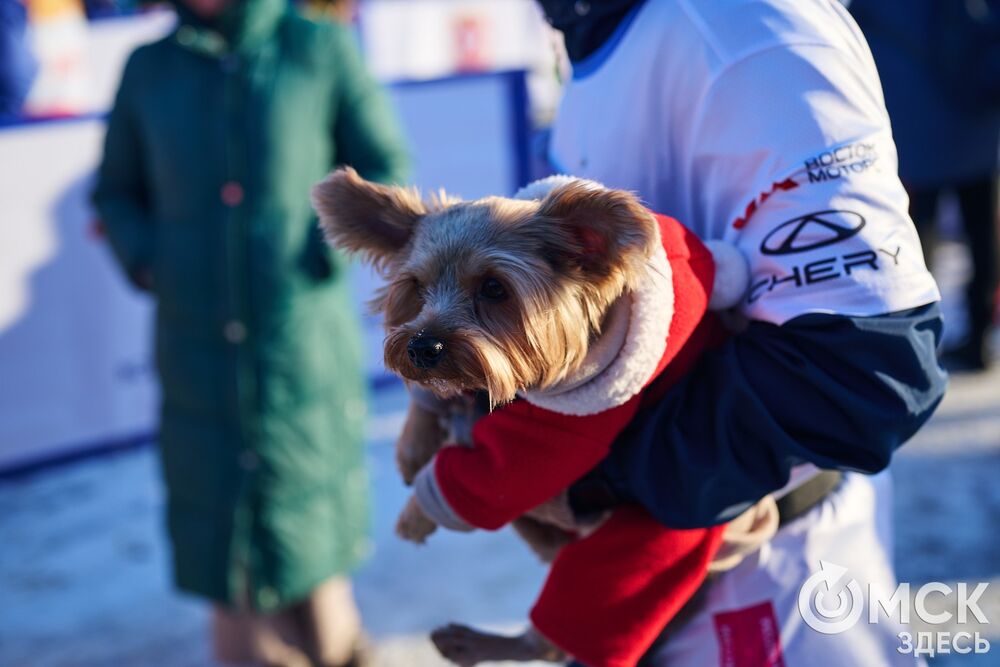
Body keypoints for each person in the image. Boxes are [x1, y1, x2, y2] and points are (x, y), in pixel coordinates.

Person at [535, 0, 947, 664]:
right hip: (658, 584)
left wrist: (597, 477)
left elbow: (868, 365)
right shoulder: (599, 29)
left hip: (778, 588)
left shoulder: (745, 22)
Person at [92, 0, 409, 665]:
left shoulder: (319, 50)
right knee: (229, 565)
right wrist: (150, 259)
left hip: (298, 345)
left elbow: (384, 165)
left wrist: (317, 254)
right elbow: (114, 191)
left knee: (313, 547)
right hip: (194, 349)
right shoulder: (150, 68)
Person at [851, 0, 1000, 371]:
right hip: (974, 117)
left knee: (915, 236)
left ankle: (916, 343)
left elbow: (854, 38)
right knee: (980, 231)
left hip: (914, 123)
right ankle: (979, 337)